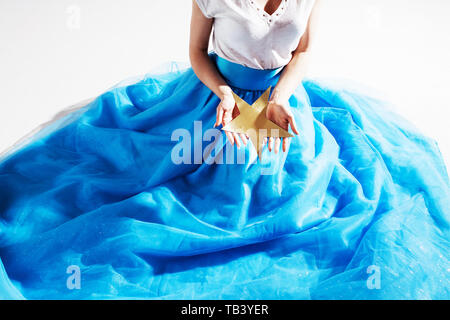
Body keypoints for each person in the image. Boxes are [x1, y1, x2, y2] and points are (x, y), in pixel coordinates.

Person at [0, 0, 448, 300]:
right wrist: (225, 95)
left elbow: (304, 51)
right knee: (197, 188)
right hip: (213, 101)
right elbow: (196, 51)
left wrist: (280, 98)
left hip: (278, 104)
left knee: (301, 193)